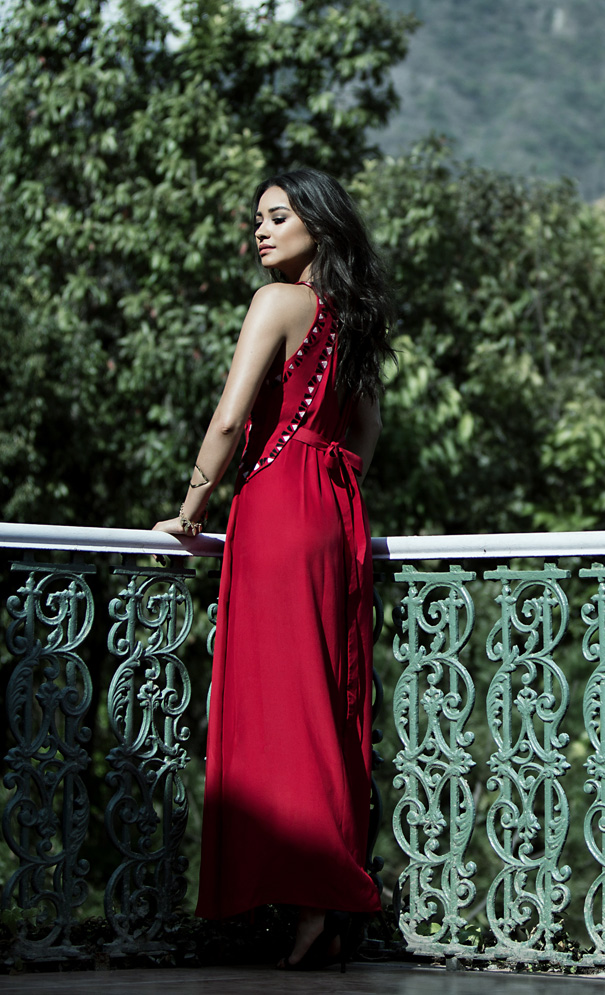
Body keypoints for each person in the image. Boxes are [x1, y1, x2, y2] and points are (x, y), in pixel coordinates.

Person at [152, 168, 394, 969]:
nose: (260, 230)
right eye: (257, 218)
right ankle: (322, 899)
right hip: (332, 509)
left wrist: (190, 510)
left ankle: (320, 895)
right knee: (323, 700)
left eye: (277, 216)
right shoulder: (353, 318)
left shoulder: (275, 303)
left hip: (275, 506)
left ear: (316, 226)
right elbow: (366, 430)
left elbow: (229, 420)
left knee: (278, 708)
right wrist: (330, 482)